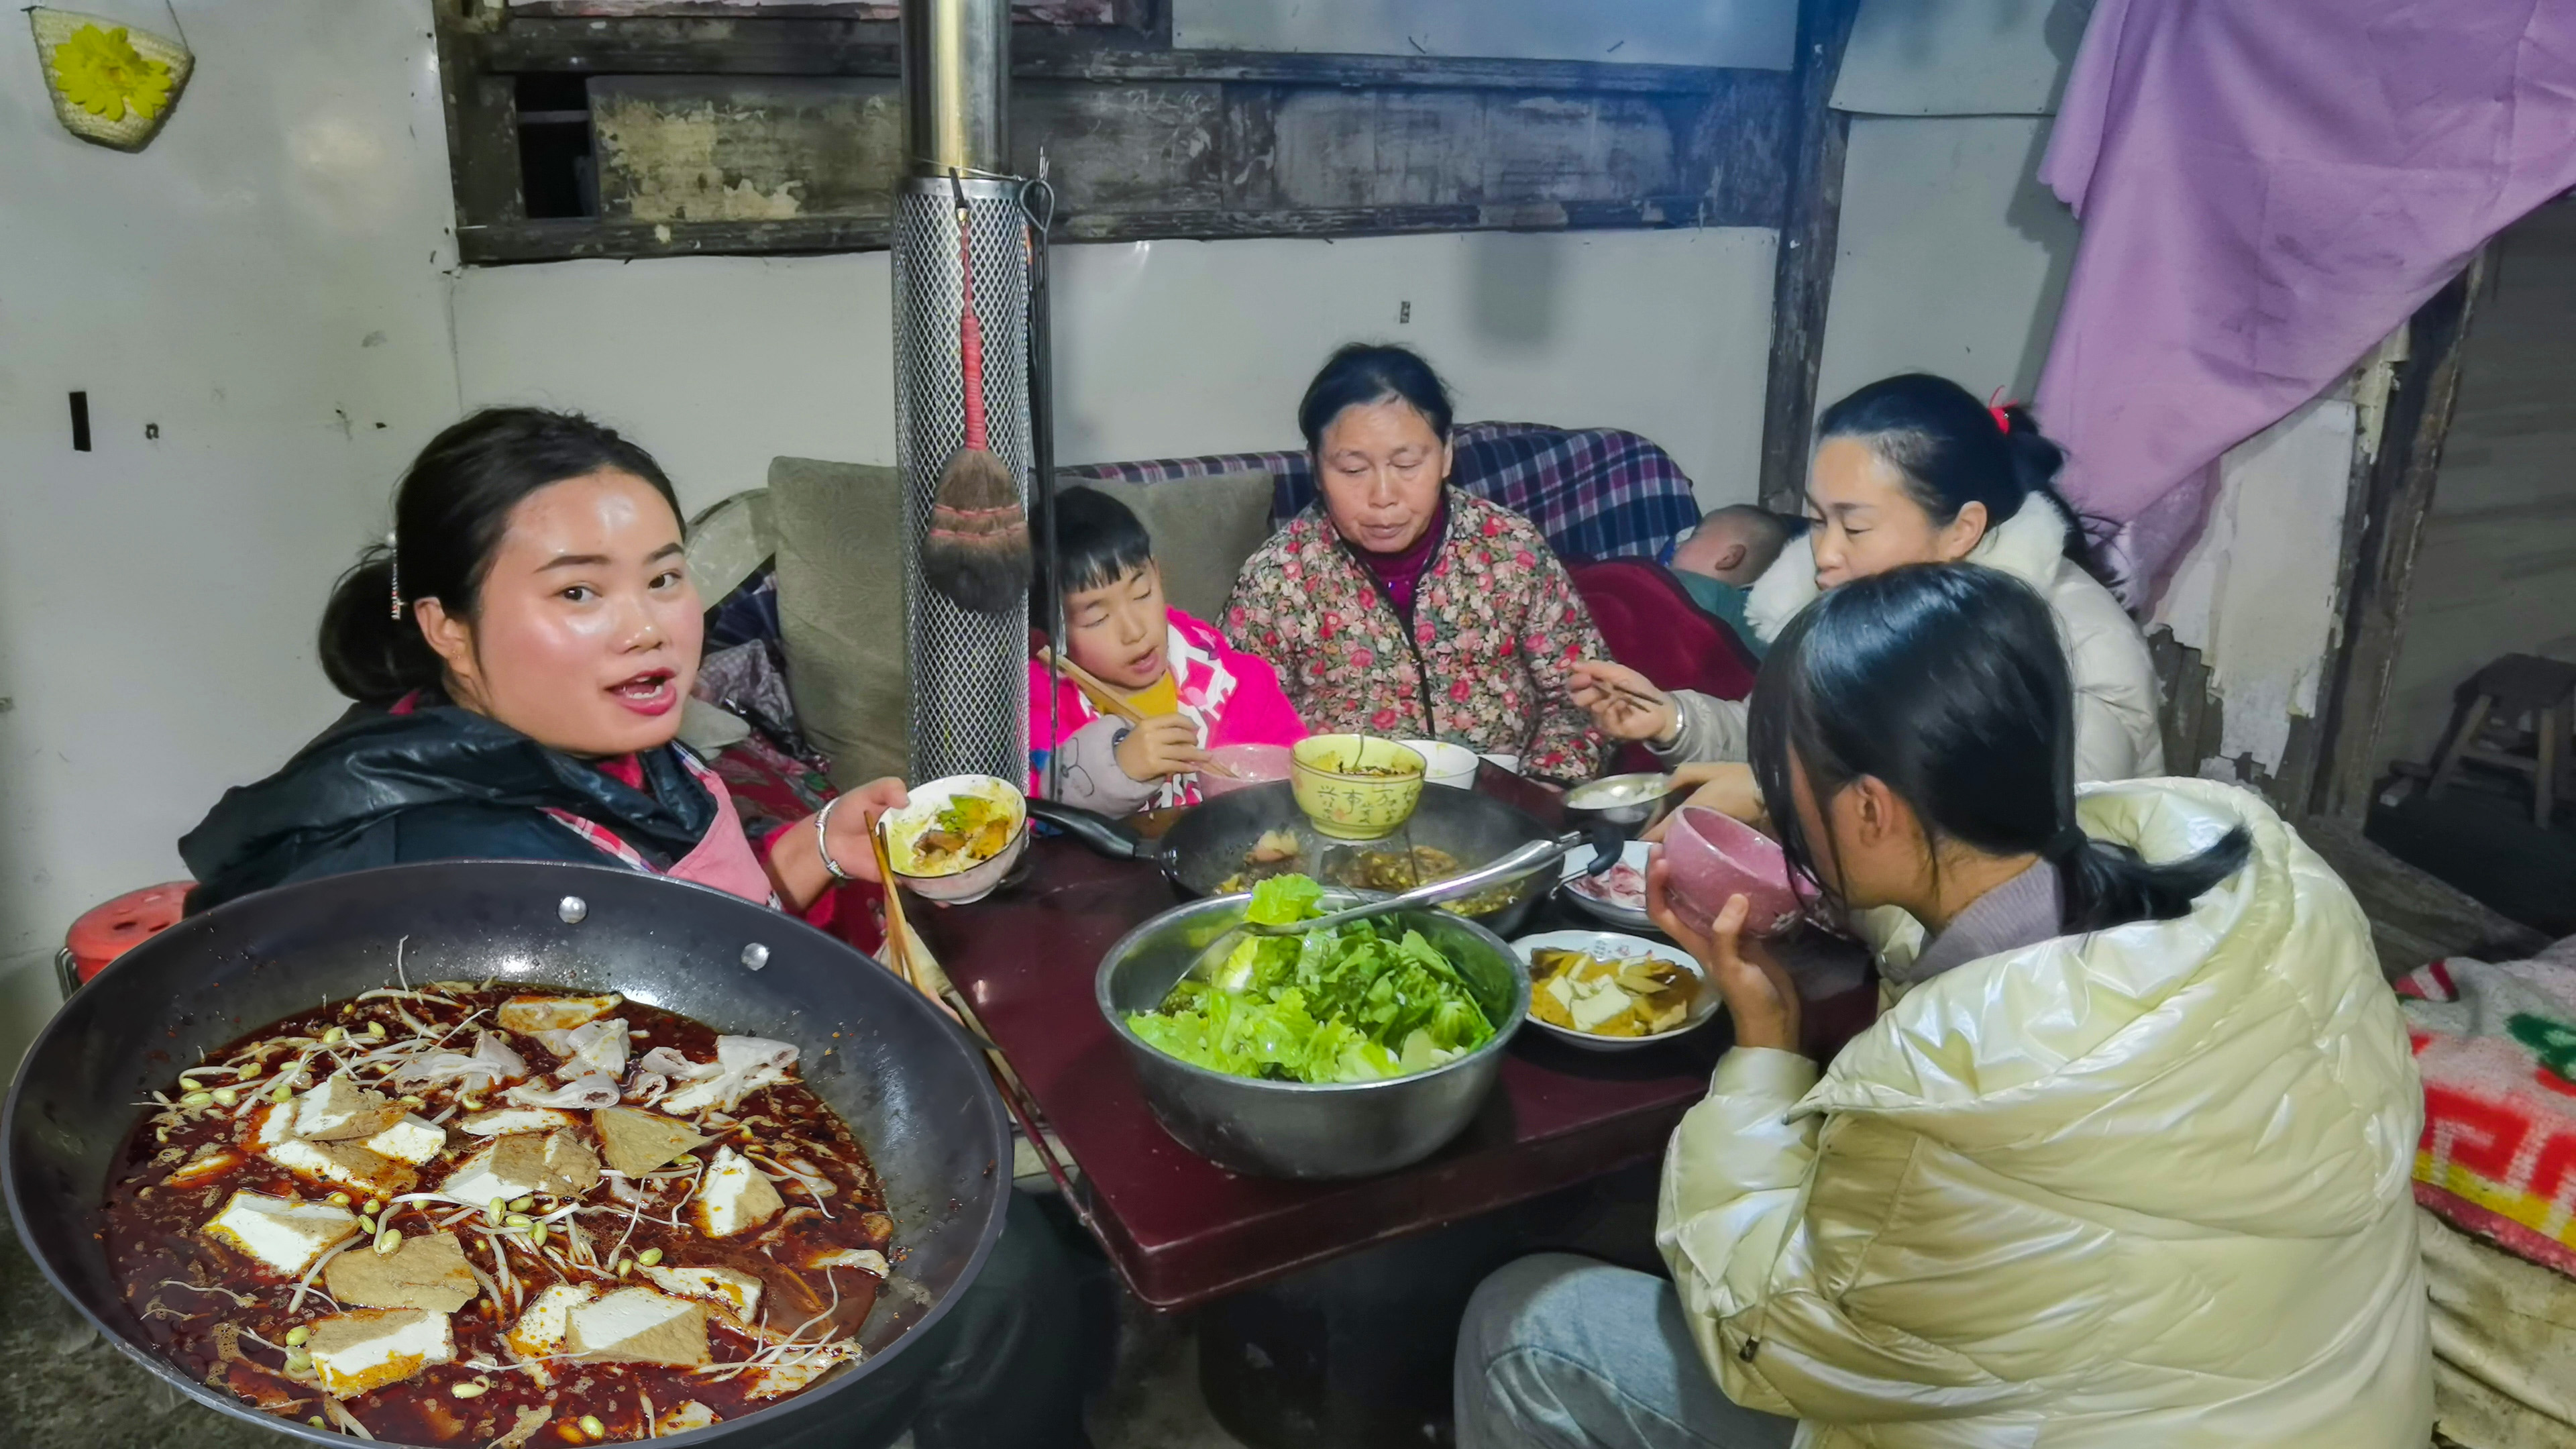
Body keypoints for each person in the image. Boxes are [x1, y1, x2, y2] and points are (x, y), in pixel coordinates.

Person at [180, 407, 1105, 1449]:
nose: (648, 624)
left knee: (1049, 1247)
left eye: (663, 577)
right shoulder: (452, 871)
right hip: (591, 1305)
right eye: (580, 591)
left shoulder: (596, 742)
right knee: (1009, 1284)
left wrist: (816, 852)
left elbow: (686, 928)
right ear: (446, 626)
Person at [1456, 565, 2430, 1449]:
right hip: (2327, 1405)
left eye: (1796, 798)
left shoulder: (1951, 1111)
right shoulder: (2265, 877)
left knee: (1524, 1324)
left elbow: (1762, 1343)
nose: (1782, 817)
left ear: (1875, 811)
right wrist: (1800, 811)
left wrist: (1763, 1048)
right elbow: (1972, 902)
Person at [1572, 374, 2165, 810]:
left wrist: (1780, 807)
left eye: (1854, 527)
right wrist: (1673, 719)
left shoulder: (2069, 648)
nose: (1825, 553)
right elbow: (1775, 738)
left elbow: (2019, 865)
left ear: (1962, 529)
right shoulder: (1855, 593)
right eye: (1818, 520)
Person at [1223, 343, 1609, 784]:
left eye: (1407, 464)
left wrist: (1545, 790)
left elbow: (1584, 699)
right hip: (1342, 816)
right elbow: (1239, 735)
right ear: (1315, 468)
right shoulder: (1278, 578)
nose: (1383, 496)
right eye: (1352, 470)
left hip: (1503, 813)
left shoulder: (1509, 550)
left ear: (1446, 455)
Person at [1029, 486, 1304, 814]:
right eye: (1097, 618)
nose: (1135, 631)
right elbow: (1029, 818)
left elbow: (1294, 770)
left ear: (1157, 575)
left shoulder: (1224, 676)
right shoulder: (1039, 710)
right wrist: (1115, 770)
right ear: (1045, 638)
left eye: (1142, 594)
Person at [1662, 504, 1797, 657]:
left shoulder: (1684, 585)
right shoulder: (1751, 621)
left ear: (1728, 558)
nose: (1678, 544)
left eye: (1694, 536)